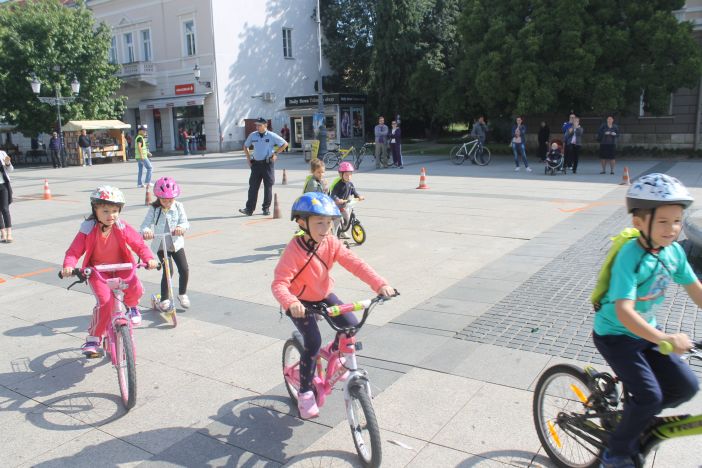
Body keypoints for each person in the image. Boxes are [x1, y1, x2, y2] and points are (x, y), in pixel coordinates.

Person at [593, 173, 700, 468]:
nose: (673, 229)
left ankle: (634, 418)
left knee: (687, 387)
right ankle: (614, 453)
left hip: (647, 333)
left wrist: (659, 337)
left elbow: (696, 290)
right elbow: (625, 312)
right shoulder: (631, 256)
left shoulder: (674, 252)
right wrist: (665, 339)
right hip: (616, 335)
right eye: (663, 221)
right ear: (639, 223)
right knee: (650, 396)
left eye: (677, 220)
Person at [271, 192, 395, 419]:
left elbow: (355, 263)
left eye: (329, 222)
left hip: (323, 295)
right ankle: (306, 392)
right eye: (319, 222)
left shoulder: (331, 242)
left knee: (350, 324)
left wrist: (380, 284)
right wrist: (291, 302)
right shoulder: (294, 250)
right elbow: (279, 283)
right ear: (301, 222)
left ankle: (330, 351)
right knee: (313, 341)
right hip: (300, 301)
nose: (325, 227)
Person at [62, 186, 159, 357]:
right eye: (105, 211)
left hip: (122, 267)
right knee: (105, 303)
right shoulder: (88, 228)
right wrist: (69, 266)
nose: (111, 215)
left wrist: (148, 259)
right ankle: (93, 338)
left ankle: (132, 307)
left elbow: (138, 244)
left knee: (135, 288)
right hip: (98, 271)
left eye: (115, 211)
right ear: (95, 210)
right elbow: (73, 251)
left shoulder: (121, 226)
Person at [141, 176, 191, 311]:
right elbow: (145, 225)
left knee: (184, 269)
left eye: (170, 200)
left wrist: (181, 227)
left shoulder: (179, 206)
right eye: (164, 200)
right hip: (161, 245)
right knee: (168, 270)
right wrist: (147, 232)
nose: (168, 203)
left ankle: (182, 294)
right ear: (158, 197)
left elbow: (185, 222)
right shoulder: (154, 209)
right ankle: (164, 298)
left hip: (176, 244)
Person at [239, 117, 287, 216]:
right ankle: (249, 209)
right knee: (253, 187)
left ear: (265, 125)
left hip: (267, 164)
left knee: (268, 187)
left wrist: (276, 153)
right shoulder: (253, 135)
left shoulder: (271, 135)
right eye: (256, 125)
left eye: (259, 125)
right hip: (255, 164)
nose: (257, 127)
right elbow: (245, 146)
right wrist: (248, 159)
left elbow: (285, 144)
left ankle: (266, 208)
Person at [330, 162, 364, 239]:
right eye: (346, 175)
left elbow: (354, 192)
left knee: (347, 219)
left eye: (350, 174)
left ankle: (342, 232)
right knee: (337, 220)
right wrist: (338, 199)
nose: (348, 177)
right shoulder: (338, 185)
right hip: (336, 206)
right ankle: (333, 236)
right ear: (341, 175)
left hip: (344, 206)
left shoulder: (350, 184)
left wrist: (359, 196)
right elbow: (333, 194)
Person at [0, 150, 13, 243]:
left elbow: (10, 169)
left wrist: (8, 163)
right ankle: (3, 232)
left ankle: (9, 233)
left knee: (5, 209)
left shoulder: (2, 153)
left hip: (3, 185)